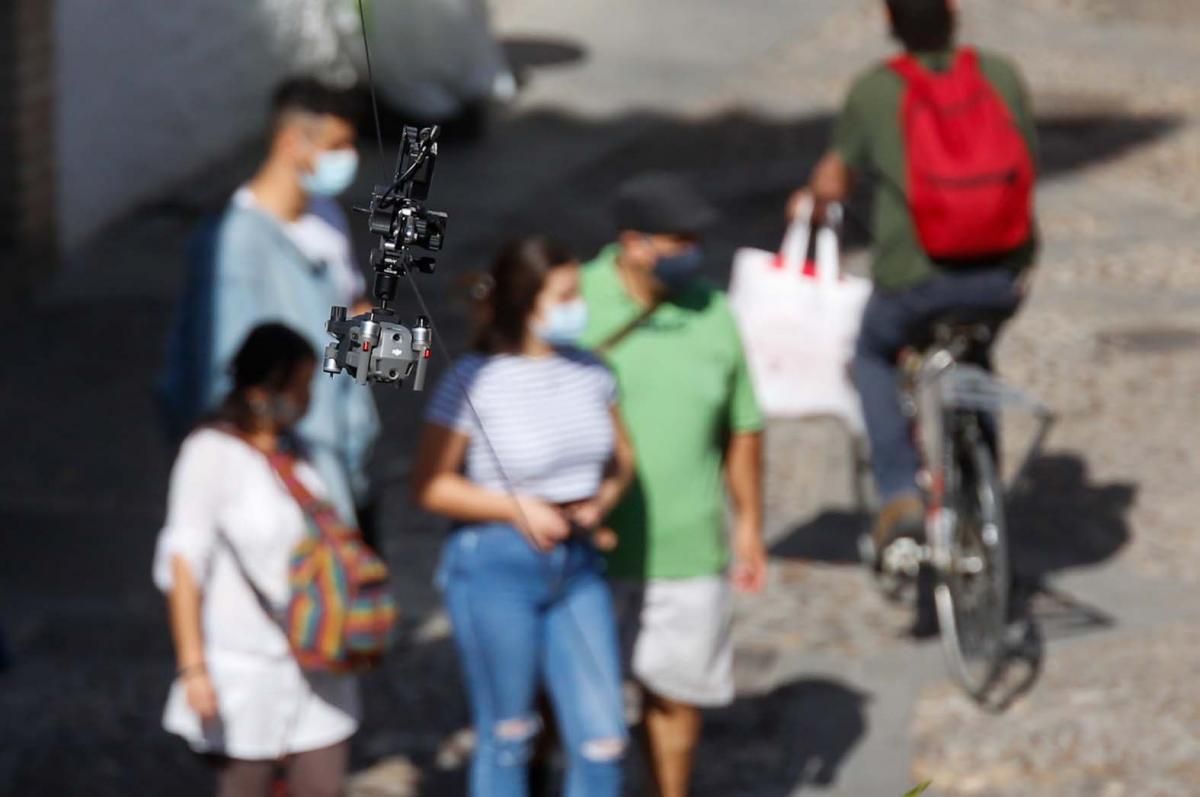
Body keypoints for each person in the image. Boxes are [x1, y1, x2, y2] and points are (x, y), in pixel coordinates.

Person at [788, 0, 1038, 554]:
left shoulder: (875, 90)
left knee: (874, 356)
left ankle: (899, 492)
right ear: (954, 14)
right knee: (974, 360)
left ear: (889, 21)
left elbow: (834, 181)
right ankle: (982, 492)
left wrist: (813, 194)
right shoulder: (998, 74)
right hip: (999, 275)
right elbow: (1026, 161)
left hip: (914, 279)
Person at [412, 237, 636, 797]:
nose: (578, 305)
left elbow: (623, 460)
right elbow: (431, 484)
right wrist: (517, 508)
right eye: (565, 295)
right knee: (508, 734)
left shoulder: (592, 370)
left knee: (603, 736)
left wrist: (600, 501)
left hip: (577, 564)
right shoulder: (474, 379)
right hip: (495, 567)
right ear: (526, 301)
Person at [579, 173, 767, 797]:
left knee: (678, 700)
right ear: (633, 244)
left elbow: (742, 428)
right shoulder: (573, 301)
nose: (692, 251)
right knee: (577, 709)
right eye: (677, 239)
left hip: (687, 552)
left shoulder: (714, 313)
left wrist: (749, 527)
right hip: (590, 550)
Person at [154, 323, 359, 797]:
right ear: (262, 389)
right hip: (246, 674)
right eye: (300, 387)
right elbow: (184, 563)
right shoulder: (209, 454)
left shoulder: (300, 453)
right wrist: (193, 667)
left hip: (318, 668)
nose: (307, 400)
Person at [207, 76, 379, 524]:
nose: (348, 159)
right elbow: (224, 373)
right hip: (287, 484)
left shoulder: (326, 216)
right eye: (336, 146)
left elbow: (356, 321)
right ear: (290, 142)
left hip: (348, 461)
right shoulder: (238, 244)